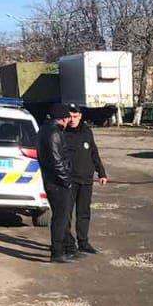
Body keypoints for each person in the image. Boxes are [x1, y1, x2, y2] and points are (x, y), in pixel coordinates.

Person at [62, 105, 108, 255]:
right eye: (70, 117)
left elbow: (94, 152)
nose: (73, 120)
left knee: (83, 213)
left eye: (75, 117)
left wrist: (101, 173)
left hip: (86, 179)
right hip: (69, 180)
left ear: (80, 116)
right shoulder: (62, 132)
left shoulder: (86, 132)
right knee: (66, 213)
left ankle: (83, 242)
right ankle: (68, 243)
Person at [40, 102, 77, 263]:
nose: (70, 120)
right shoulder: (54, 133)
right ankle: (57, 252)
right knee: (61, 218)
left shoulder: (45, 129)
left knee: (61, 217)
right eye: (68, 117)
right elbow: (57, 161)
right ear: (63, 118)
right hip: (57, 183)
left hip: (51, 180)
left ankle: (68, 247)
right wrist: (66, 180)